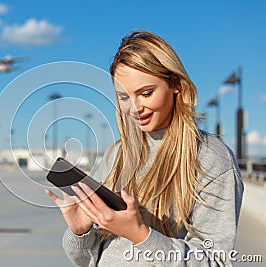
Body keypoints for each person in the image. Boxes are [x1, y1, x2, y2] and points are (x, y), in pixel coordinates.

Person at [45, 30, 244, 266]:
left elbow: (216, 261)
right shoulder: (117, 155)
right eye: (124, 97)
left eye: (146, 93)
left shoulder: (210, 158)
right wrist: (80, 231)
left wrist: (141, 235)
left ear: (176, 85)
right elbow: (87, 259)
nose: (135, 108)